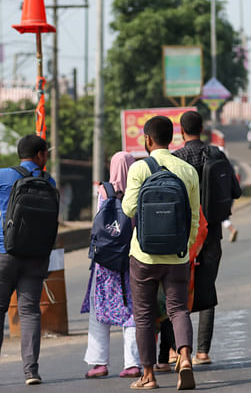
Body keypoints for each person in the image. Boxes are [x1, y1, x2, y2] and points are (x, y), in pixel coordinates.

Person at [122, 116, 201, 390]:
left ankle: (148, 375)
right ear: (173, 138)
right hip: (177, 255)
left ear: (147, 139)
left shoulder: (139, 168)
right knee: (178, 309)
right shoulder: (187, 170)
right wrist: (186, 247)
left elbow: (129, 209)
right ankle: (185, 357)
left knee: (143, 315)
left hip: (143, 255)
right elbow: (194, 216)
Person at [172, 110, 241, 365]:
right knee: (207, 287)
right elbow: (234, 189)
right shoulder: (217, 155)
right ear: (203, 129)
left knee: (176, 291)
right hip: (211, 232)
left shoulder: (175, 159)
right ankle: (202, 351)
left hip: (182, 236)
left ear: (181, 131)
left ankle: (175, 349)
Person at [0, 135, 55, 385]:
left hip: (4, 253)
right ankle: (31, 371)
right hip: (36, 255)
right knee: (30, 311)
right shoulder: (48, 181)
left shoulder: (4, 176)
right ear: (40, 155)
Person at [83, 151, 141, 379]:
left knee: (99, 310)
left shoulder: (103, 191)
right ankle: (133, 363)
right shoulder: (137, 189)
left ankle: (99, 362)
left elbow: (97, 225)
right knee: (132, 310)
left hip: (105, 263)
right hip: (130, 258)